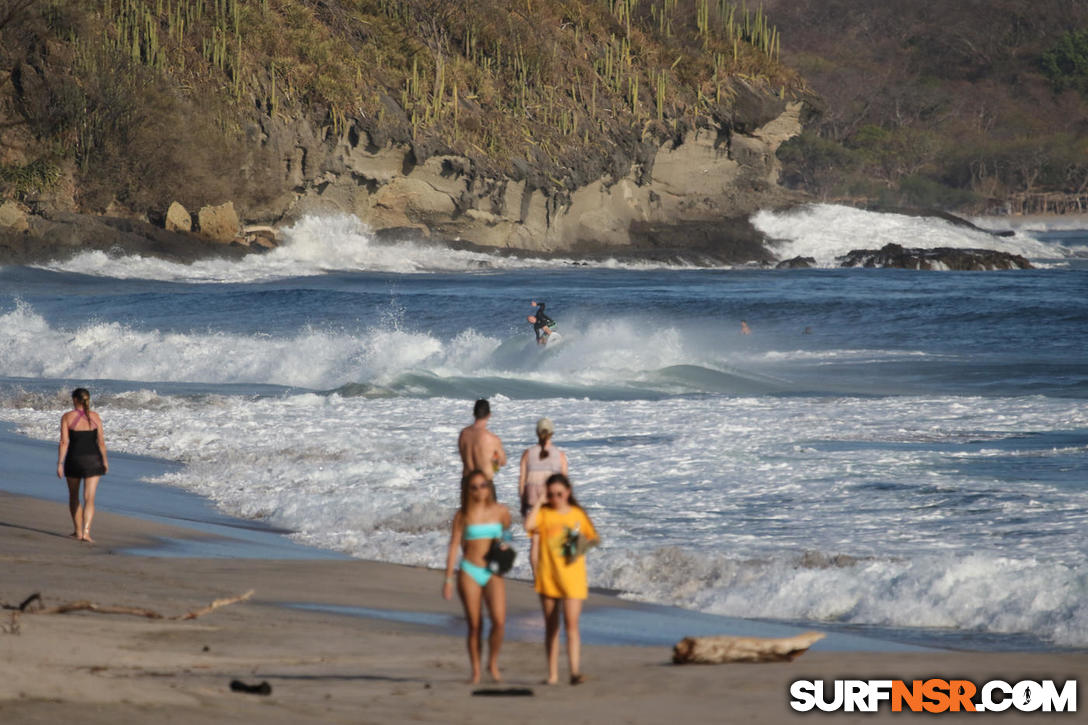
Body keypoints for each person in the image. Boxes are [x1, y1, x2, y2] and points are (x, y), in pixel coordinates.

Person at [525, 473, 599, 686]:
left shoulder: (577, 514)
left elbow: (592, 537)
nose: (556, 497)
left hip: (573, 578)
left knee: (572, 625)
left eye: (560, 493)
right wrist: (539, 501)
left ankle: (575, 672)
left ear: (568, 492)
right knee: (551, 627)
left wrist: (575, 549)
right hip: (548, 577)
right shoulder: (544, 514)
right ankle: (553, 675)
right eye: (551, 494)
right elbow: (528, 526)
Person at [442, 470, 514, 684]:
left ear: (489, 487)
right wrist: (448, 579)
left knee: (499, 622)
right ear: (467, 490)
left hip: (492, 571)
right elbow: (454, 545)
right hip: (469, 570)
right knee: (475, 625)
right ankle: (475, 671)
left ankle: (492, 663)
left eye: (483, 485)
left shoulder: (501, 511)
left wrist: (504, 545)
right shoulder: (462, 514)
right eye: (474, 487)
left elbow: (507, 533)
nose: (479, 490)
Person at [57, 387, 108, 543]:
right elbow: (101, 442)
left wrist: (60, 463)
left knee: (74, 496)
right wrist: (105, 461)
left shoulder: (67, 417)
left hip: (74, 460)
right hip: (94, 460)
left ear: (75, 400)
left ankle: (78, 531)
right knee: (89, 498)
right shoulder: (96, 417)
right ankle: (86, 532)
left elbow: (64, 442)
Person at [518, 417, 568, 574]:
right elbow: (564, 484)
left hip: (532, 500)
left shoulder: (528, 454)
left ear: (537, 433)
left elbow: (522, 482)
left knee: (535, 542)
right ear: (552, 433)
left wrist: (522, 502)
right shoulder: (560, 455)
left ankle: (537, 577)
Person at [459, 399, 507, 481]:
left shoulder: (463, 434)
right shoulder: (493, 439)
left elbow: (463, 456)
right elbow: (502, 462)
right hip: (484, 483)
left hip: (467, 482)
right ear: (489, 415)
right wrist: (495, 464)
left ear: (474, 413)